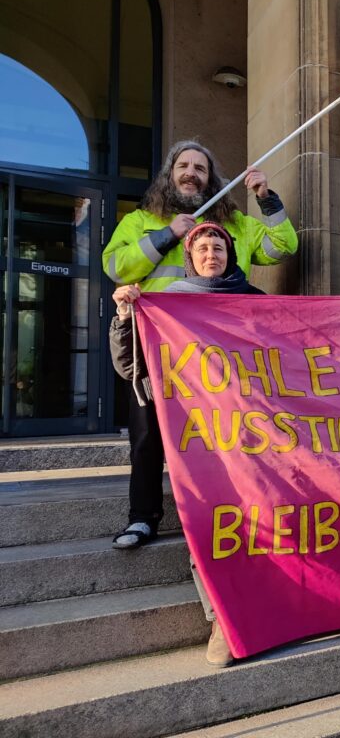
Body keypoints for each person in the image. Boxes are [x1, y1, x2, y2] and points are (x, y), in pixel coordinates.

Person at [103, 139, 297, 550]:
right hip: (158, 346)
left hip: (222, 353)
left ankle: (235, 515)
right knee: (148, 436)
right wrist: (167, 234)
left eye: (201, 168)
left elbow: (283, 246)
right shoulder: (141, 219)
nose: (191, 173)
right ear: (170, 175)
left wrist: (265, 198)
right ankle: (142, 519)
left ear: (211, 180)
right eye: (184, 166)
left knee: (226, 436)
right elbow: (116, 266)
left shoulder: (238, 223)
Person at [110, 223, 265, 667]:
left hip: (251, 435)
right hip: (198, 437)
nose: (211, 253)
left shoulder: (255, 300)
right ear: (190, 257)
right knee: (209, 519)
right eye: (202, 247)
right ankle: (222, 619)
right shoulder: (169, 301)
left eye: (219, 246)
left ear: (230, 255)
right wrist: (125, 319)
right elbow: (129, 367)